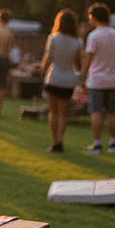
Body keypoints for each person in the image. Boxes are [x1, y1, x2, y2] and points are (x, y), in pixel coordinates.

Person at [80, 1, 115, 154]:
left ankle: (97, 144)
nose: (89, 20)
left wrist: (82, 75)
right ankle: (113, 144)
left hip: (96, 80)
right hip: (113, 79)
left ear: (94, 18)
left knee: (96, 112)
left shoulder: (93, 36)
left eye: (90, 17)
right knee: (112, 113)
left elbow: (88, 58)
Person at [40, 8, 84, 153]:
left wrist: (42, 71)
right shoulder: (78, 41)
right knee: (63, 113)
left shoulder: (54, 38)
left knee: (53, 112)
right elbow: (78, 63)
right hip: (68, 79)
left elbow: (48, 59)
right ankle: (61, 139)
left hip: (54, 77)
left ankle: (54, 142)